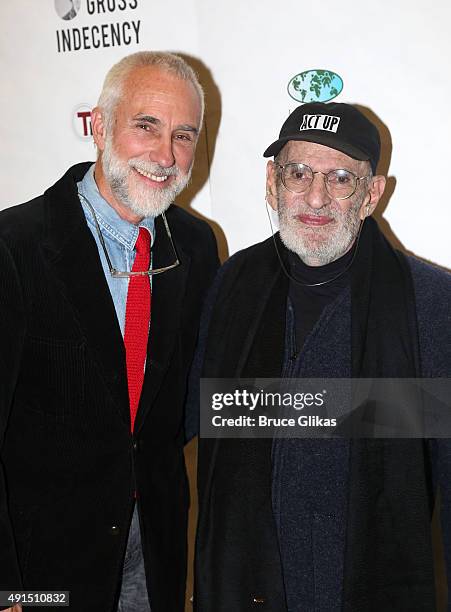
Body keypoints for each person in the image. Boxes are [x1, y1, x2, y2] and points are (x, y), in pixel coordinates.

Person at [191, 102, 451, 611]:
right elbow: (196, 414)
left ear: (371, 195)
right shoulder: (233, 285)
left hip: (365, 588)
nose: (315, 197)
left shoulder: (431, 304)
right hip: (246, 585)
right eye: (298, 172)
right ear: (273, 181)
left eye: (339, 178)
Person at [0, 51, 218, 612]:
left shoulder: (195, 245)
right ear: (98, 125)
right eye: (146, 125)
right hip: (42, 569)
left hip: (156, 554)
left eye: (184, 135)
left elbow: (182, 406)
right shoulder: (16, 245)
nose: (166, 155)